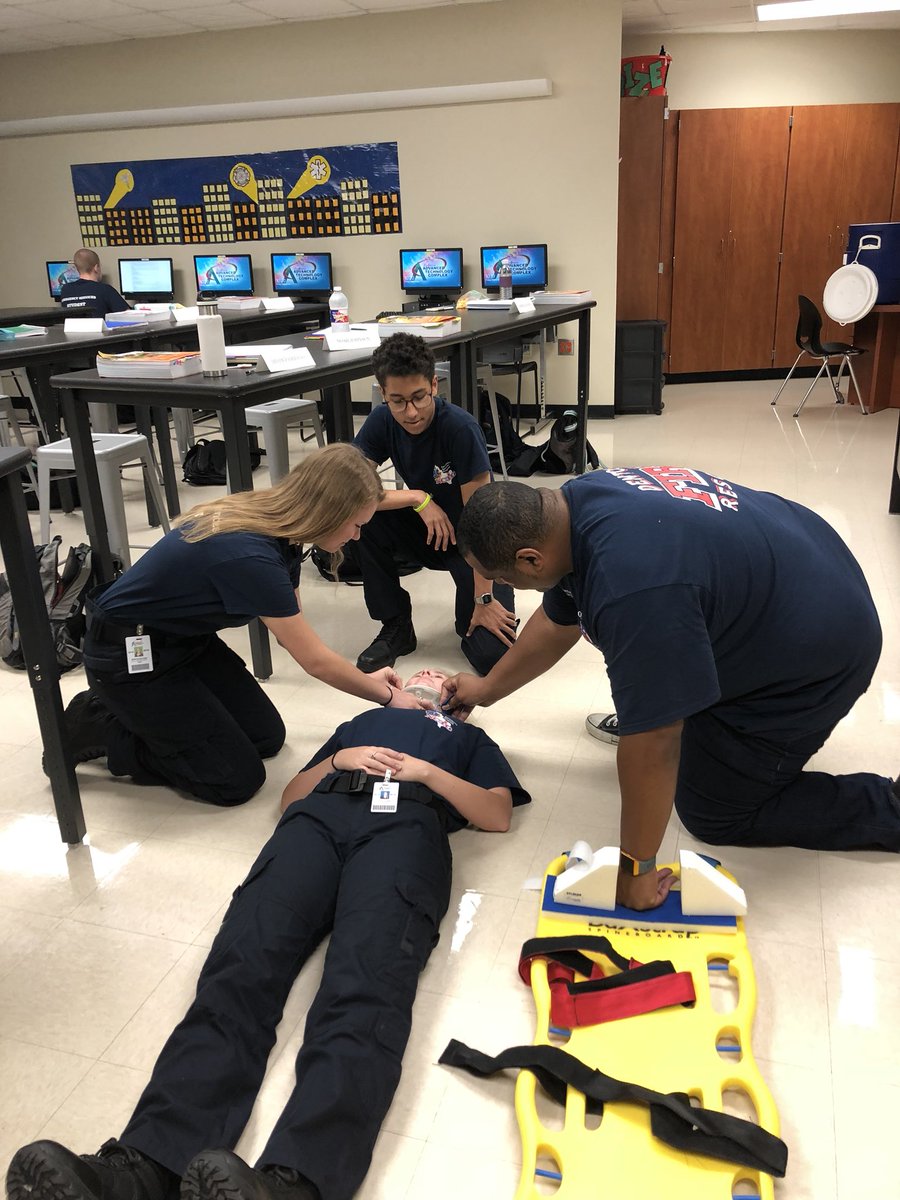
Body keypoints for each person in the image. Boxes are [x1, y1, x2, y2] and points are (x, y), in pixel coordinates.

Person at [8, 671, 530, 1200]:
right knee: (240, 969)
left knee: (364, 987)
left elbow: (495, 814)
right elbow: (290, 796)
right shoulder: (361, 722)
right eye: (420, 671)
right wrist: (336, 761)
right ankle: (145, 1165)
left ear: (453, 701)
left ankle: (297, 1180)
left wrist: (427, 773)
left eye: (438, 678)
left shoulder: (465, 737)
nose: (427, 676)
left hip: (405, 826)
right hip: (315, 823)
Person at [439, 469, 900, 910]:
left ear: (529, 560)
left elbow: (655, 741)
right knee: (661, 686)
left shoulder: (631, 587)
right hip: (805, 559)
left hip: (821, 648)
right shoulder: (571, 509)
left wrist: (636, 870)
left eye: (501, 579)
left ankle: (891, 808)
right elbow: (561, 620)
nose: (501, 588)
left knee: (712, 811)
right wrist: (486, 688)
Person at [63, 443, 427, 807]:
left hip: (185, 641)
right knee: (234, 779)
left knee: (265, 737)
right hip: (128, 656)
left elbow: (292, 633)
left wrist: (364, 679)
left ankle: (154, 716)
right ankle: (100, 723)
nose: (357, 536)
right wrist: (388, 696)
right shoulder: (251, 554)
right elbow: (312, 660)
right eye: (357, 525)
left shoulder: (284, 527)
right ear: (328, 513)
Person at [351, 332, 517, 676]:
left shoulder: (460, 428)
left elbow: (481, 521)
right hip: (430, 530)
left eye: (419, 398)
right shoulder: (381, 421)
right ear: (383, 394)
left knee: (488, 656)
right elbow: (349, 488)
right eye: (397, 401)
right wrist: (418, 498)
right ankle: (396, 626)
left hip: (477, 543)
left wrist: (484, 599)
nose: (410, 412)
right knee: (363, 518)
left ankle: (489, 601)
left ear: (434, 385)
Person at [58, 248, 129, 317]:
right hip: (99, 329)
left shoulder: (65, 290)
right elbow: (128, 315)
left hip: (72, 329)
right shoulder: (105, 289)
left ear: (77, 268)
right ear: (96, 267)